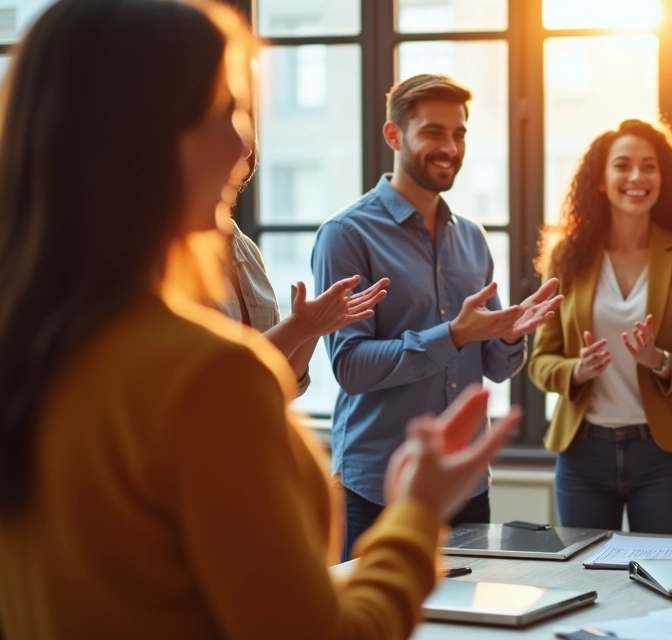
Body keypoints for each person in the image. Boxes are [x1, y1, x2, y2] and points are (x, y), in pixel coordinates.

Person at [0, 1, 518, 638]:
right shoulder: (208, 376)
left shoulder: (38, 347)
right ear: (135, 137)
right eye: (225, 110)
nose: (244, 143)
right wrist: (416, 515)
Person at [312, 74, 561, 559]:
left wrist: (508, 338)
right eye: (432, 132)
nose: (449, 146)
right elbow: (351, 368)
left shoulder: (472, 238)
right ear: (394, 135)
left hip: (464, 487)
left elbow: (492, 366)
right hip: (378, 487)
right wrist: (453, 334)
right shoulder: (347, 235)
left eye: (459, 133)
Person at [529, 119, 672, 534]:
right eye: (622, 165)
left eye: (649, 166)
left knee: (664, 579)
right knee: (590, 580)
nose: (637, 177)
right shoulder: (568, 257)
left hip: (662, 454)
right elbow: (541, 359)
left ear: (663, 177)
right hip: (583, 453)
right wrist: (576, 370)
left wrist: (660, 360)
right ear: (600, 179)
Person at [220, 149, 390, 397]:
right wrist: (298, 327)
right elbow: (214, 384)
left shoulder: (246, 249)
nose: (244, 147)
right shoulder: (159, 258)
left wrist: (312, 330)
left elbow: (281, 385)